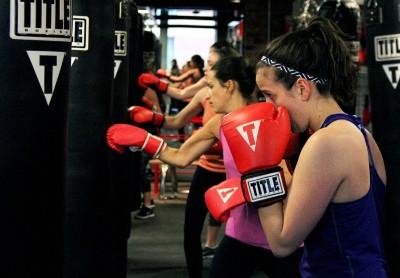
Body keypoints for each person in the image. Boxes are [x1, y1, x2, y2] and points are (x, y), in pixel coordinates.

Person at [107, 56, 303, 278]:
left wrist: (244, 189)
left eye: (212, 87)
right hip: (239, 235)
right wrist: (145, 140)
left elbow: (291, 179)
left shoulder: (267, 119)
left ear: (229, 85)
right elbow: (181, 156)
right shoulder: (218, 123)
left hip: (281, 236)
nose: (208, 96)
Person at [251, 17, 387, 276]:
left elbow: (281, 243)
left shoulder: (326, 143)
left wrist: (259, 173)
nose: (269, 107)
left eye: (271, 95)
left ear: (302, 88)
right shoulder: (360, 134)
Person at [133, 41, 240, 277]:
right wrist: (153, 117)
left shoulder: (247, 108)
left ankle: (215, 249)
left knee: (244, 233)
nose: (204, 70)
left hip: (235, 174)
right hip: (206, 169)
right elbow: (178, 121)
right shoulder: (206, 94)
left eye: (210, 65)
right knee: (191, 229)